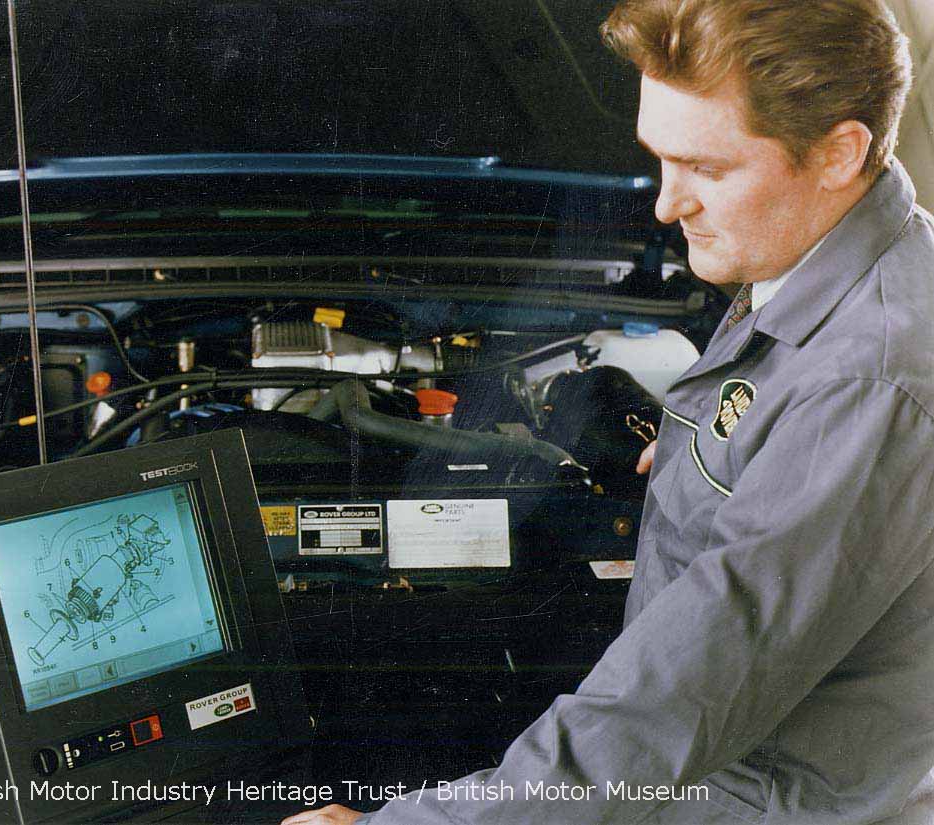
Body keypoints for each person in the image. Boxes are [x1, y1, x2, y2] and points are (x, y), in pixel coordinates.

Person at [282, 0, 934, 822]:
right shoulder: (827, 257)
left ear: (839, 153)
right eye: (658, 158)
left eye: (706, 167)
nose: (666, 204)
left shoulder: (869, 380)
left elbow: (670, 700)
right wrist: (712, 453)